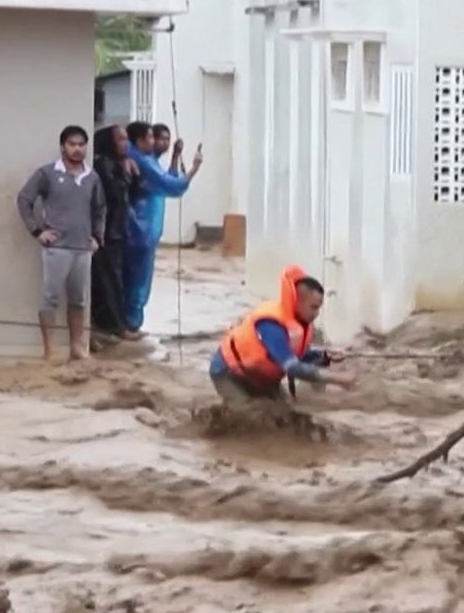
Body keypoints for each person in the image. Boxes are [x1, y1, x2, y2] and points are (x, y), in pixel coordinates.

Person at [16, 125, 106, 362]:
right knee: (50, 298)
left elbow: (100, 209)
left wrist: (97, 237)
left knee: (79, 300)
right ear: (63, 147)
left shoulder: (92, 177)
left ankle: (77, 347)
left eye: (81, 144)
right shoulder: (47, 174)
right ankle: (49, 350)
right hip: (56, 249)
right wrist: (37, 231)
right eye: (72, 144)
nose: (77, 149)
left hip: (83, 249)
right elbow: (24, 199)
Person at [210, 265, 355, 412]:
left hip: (260, 375)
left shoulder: (300, 325)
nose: (317, 313)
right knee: (249, 415)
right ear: (297, 301)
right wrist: (339, 379)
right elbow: (293, 367)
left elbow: (297, 355)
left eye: (319, 308)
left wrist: (325, 356)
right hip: (229, 372)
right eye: (313, 307)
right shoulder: (272, 326)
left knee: (287, 414)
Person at [121, 121, 203, 334]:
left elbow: (168, 179)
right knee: (137, 281)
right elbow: (173, 186)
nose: (159, 142)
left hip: (144, 231)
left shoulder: (147, 161)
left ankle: (130, 322)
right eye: (153, 138)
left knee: (136, 279)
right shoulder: (144, 162)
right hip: (140, 230)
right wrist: (194, 168)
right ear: (140, 141)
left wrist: (176, 156)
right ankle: (130, 323)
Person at [90, 125, 142, 346]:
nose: (126, 144)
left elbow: (132, 195)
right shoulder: (103, 165)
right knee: (109, 282)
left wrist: (133, 174)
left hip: (117, 231)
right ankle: (117, 327)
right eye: (120, 140)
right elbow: (112, 194)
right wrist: (124, 171)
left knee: (112, 280)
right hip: (105, 232)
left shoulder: (119, 164)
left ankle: (110, 325)